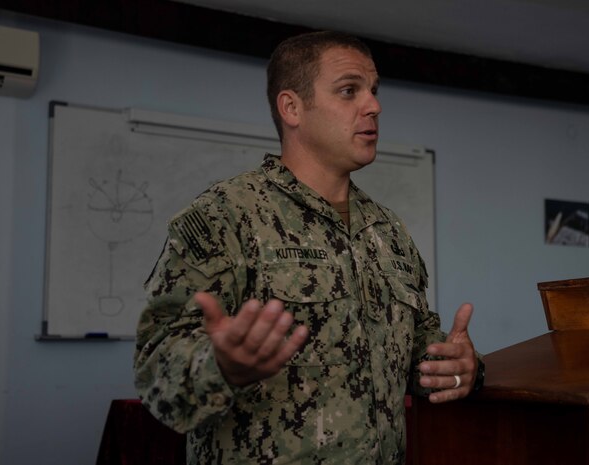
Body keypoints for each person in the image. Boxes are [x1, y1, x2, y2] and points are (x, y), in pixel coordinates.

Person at [134, 30, 484, 465]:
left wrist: (456, 367)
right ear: (292, 107)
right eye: (348, 91)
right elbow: (155, 372)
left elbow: (414, 353)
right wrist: (220, 365)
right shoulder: (226, 216)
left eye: (373, 91)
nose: (373, 105)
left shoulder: (388, 229)